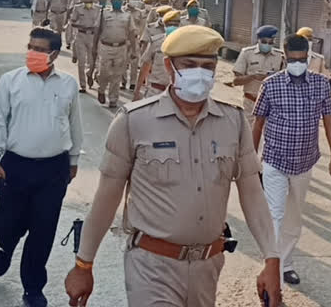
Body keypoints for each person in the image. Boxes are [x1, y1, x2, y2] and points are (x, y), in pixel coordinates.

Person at [64, 26, 282, 307]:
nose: (200, 73)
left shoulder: (233, 122)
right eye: (189, 65)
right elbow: (106, 198)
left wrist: (271, 259)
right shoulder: (134, 121)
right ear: (169, 66)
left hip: (208, 266)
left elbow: (252, 193)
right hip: (151, 266)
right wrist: (84, 264)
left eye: (208, 66)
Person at [0, 27, 83, 307]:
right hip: (15, 166)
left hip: (53, 169)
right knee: (8, 221)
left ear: (53, 53)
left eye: (39, 49)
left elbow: (75, 124)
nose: (33, 53)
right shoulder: (10, 81)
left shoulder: (68, 84)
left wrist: (73, 160)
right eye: (30, 47)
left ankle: (33, 288)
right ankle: (5, 245)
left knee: (43, 229)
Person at [252, 34, 331, 286]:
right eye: (292, 59)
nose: (297, 64)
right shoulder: (271, 85)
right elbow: (258, 123)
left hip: (304, 163)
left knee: (294, 218)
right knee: (275, 215)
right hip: (275, 160)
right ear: (284, 55)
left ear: (308, 57)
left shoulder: (321, 84)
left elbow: (329, 122)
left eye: (302, 60)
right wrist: (251, 160)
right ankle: (272, 272)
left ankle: (286, 263)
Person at [92, 0, 136, 109]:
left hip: (121, 47)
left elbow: (132, 33)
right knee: (103, 72)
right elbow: (97, 30)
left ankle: (113, 99)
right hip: (105, 46)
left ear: (122, 1)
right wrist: (94, 46)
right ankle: (101, 89)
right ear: (110, 1)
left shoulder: (127, 15)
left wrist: (134, 50)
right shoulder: (104, 13)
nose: (117, 1)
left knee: (117, 74)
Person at [233, 25, 285, 125]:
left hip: (272, 104)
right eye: (264, 42)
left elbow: (284, 81)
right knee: (248, 134)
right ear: (258, 40)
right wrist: (253, 76)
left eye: (270, 42)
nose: (267, 45)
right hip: (251, 102)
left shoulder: (280, 56)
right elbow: (236, 81)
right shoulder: (247, 53)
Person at [133, 10, 181, 100]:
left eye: (176, 24)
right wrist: (137, 91)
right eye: (170, 24)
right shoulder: (156, 42)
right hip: (155, 91)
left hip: (177, 93)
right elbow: (145, 67)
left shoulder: (187, 44)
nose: (173, 26)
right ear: (164, 26)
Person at [70, 0, 100, 93]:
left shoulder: (98, 9)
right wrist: (81, 26)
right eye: (86, 1)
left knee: (92, 62)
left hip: (92, 36)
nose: (88, 3)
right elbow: (72, 22)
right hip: (81, 35)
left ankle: (89, 74)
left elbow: (100, 24)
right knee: (81, 62)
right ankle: (83, 85)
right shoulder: (77, 8)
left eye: (90, 1)